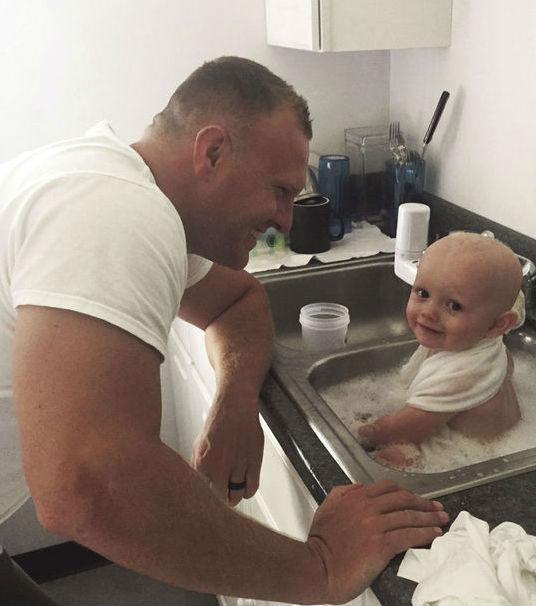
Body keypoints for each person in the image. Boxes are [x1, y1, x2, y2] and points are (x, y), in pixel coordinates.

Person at [0, 56, 448, 604]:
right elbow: (87, 485)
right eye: (280, 190)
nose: (286, 219)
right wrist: (320, 569)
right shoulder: (117, 212)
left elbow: (238, 301)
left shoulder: (118, 186)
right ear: (212, 151)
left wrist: (234, 404)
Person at [358, 232, 524, 468]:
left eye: (454, 306)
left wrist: (354, 431)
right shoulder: (488, 343)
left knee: (394, 456)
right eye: (423, 293)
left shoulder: (462, 374)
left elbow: (396, 431)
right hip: (492, 436)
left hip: (472, 457)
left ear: (498, 325)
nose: (428, 312)